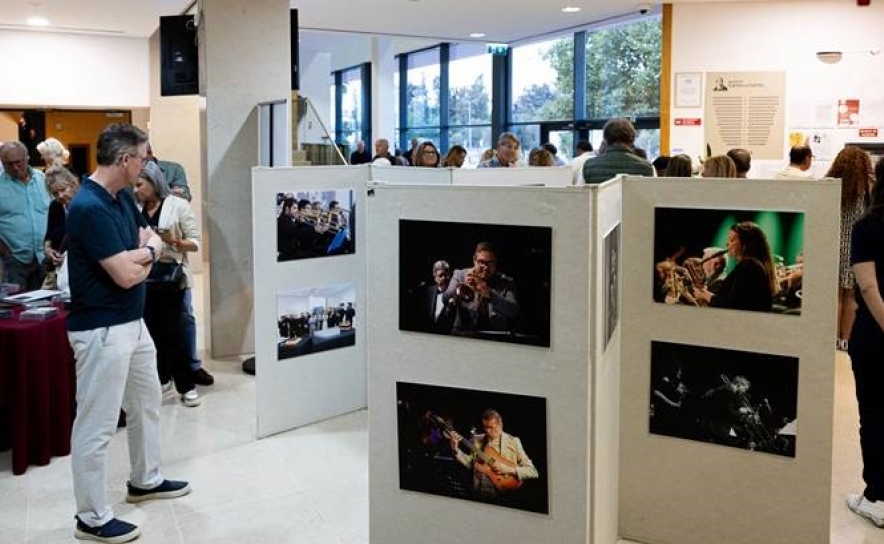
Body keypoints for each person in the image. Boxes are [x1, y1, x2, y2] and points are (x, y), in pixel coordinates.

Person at [66, 124, 190, 543]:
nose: (147, 164)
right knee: (97, 424)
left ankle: (146, 480)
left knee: (147, 403)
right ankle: (92, 517)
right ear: (124, 160)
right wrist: (146, 256)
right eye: (143, 157)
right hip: (101, 328)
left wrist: (145, 252)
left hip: (132, 324)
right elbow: (122, 276)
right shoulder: (88, 207)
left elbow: (150, 238)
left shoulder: (120, 196)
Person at [134, 161, 203, 406]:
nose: (136, 188)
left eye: (140, 184)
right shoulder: (135, 207)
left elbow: (195, 243)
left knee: (173, 331)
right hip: (143, 277)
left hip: (171, 277)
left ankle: (186, 384)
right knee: (151, 332)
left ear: (154, 182)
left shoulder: (178, 206)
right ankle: (163, 378)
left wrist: (173, 241)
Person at [846, 157, 884, 528]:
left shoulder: (868, 227)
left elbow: (869, 287)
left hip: (874, 338)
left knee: (873, 414)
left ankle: (876, 496)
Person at [828, 146, 873, 350]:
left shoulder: (830, 186)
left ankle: (830, 337)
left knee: (833, 295)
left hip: (832, 244)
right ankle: (844, 340)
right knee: (851, 296)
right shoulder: (866, 190)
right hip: (854, 246)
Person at [447, 409, 539, 502]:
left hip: (504, 496)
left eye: (491, 427)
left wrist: (509, 470)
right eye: (485, 427)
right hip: (479, 493)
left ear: (500, 425)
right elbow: (471, 464)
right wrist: (456, 449)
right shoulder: (477, 439)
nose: (487, 431)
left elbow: (532, 471)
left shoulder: (513, 441)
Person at [694, 221, 778, 312]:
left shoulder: (749, 266)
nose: (727, 244)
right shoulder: (750, 264)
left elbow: (732, 305)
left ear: (746, 243)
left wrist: (704, 294)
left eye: (732, 240)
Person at [0, 140, 50, 290]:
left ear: (27, 158)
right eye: (9, 164)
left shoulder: (43, 180)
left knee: (46, 307)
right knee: (15, 308)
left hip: (44, 257)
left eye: (18, 162)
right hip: (14, 260)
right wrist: (6, 253)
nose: (15, 168)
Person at [443, 241, 519, 335]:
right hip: (463, 333)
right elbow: (445, 298)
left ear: (495, 262)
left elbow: (513, 311)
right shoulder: (460, 274)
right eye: (481, 262)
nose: (485, 267)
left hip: (495, 336)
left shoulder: (506, 281)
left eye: (490, 263)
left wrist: (489, 293)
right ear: (474, 260)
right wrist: (462, 285)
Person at [42, 166, 81, 289]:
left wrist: (68, 257)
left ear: (73, 184)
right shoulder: (55, 206)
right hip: (56, 271)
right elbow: (49, 236)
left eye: (63, 189)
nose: (60, 195)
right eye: (55, 193)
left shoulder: (85, 204)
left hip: (79, 270)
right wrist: (48, 251)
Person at [582, 118, 654, 183]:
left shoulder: (588, 166)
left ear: (605, 140)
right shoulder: (648, 168)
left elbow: (580, 195)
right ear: (632, 139)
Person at [421, 260, 456, 333]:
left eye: (446, 274)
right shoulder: (429, 291)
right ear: (435, 276)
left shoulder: (455, 292)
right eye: (441, 275)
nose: (444, 278)